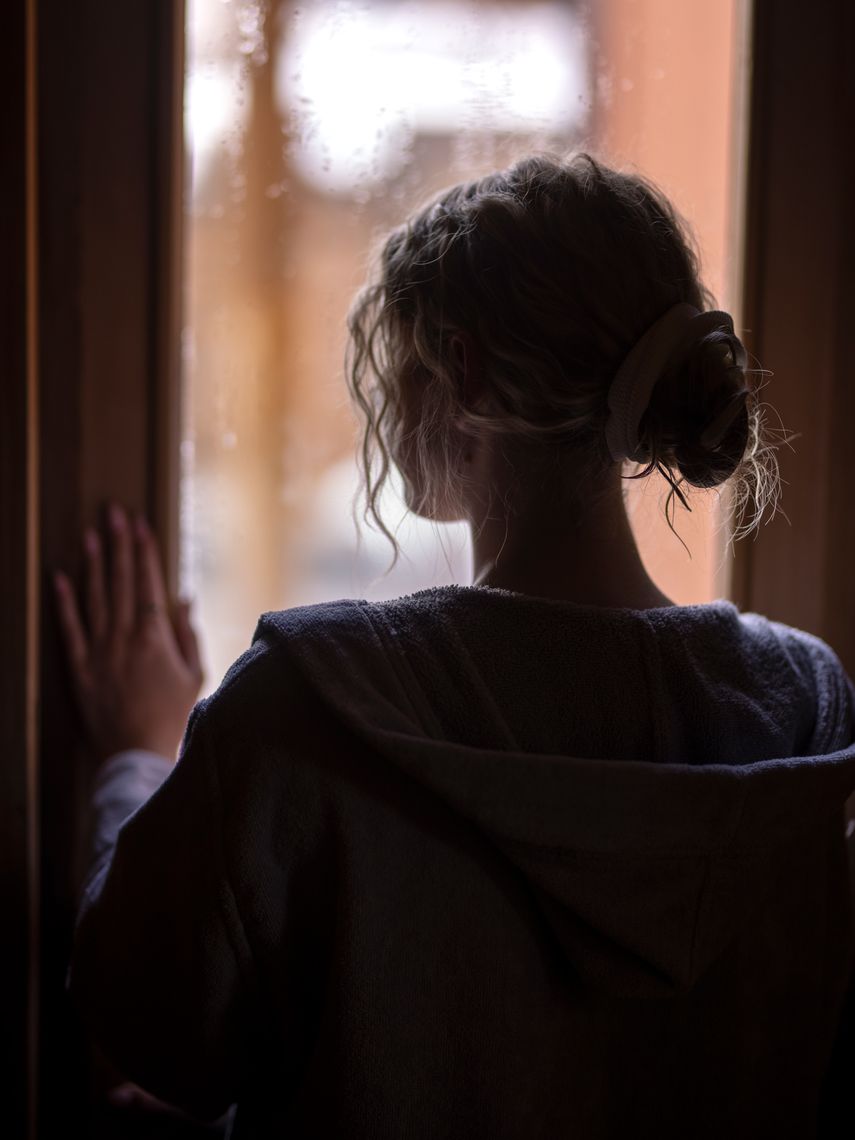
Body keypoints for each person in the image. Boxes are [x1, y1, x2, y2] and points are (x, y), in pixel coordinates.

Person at [55, 154, 855, 1138]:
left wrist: (134, 757)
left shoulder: (310, 707)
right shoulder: (805, 711)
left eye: (396, 359)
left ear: (464, 372)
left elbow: (146, 1028)